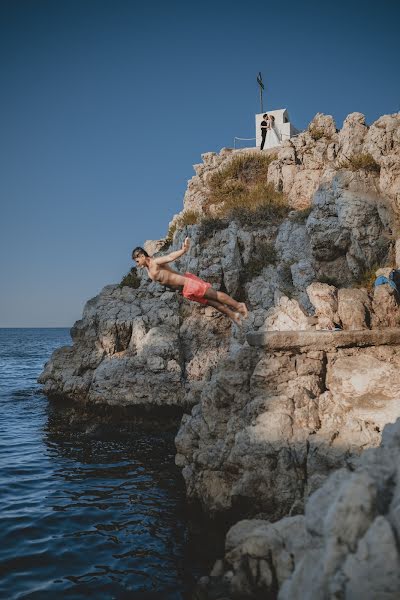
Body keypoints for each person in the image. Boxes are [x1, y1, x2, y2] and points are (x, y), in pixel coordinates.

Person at [132, 238, 248, 324]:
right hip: (184, 291)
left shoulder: (155, 262)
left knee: (215, 295)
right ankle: (233, 315)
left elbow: (170, 257)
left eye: (137, 261)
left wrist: (183, 250)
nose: (137, 264)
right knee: (212, 303)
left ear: (142, 256)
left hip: (188, 283)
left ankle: (239, 306)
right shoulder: (148, 271)